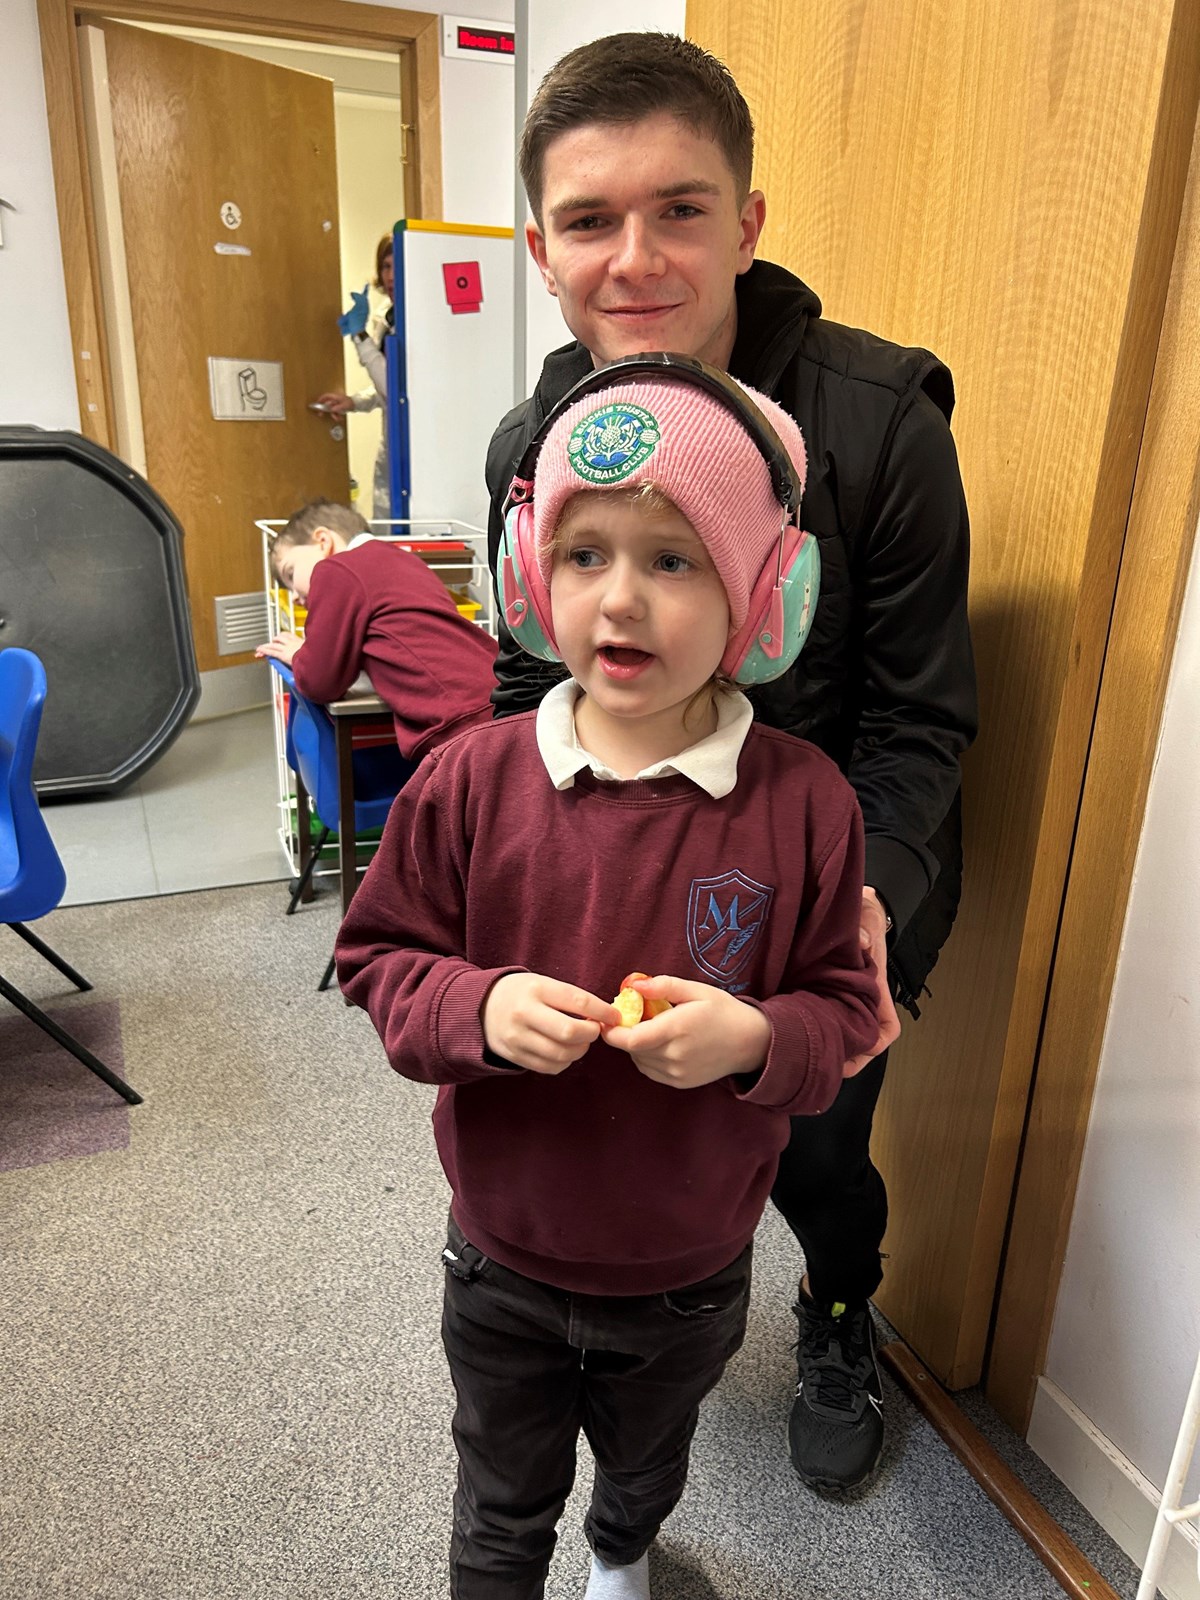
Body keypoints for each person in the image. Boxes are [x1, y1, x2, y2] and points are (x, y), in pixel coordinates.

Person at [484, 32, 978, 1493]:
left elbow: (921, 721)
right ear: (539, 247)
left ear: (746, 222)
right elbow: (527, 677)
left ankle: (836, 1312)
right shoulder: (534, 438)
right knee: (614, 1132)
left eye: (680, 209)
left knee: (814, 1150)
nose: (636, 259)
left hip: (824, 882)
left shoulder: (885, 422)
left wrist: (862, 906)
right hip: (618, 855)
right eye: (589, 219)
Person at [336, 358, 881, 1599]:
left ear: (760, 593)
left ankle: (623, 1559)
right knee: (497, 1502)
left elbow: (845, 1012)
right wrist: (474, 1006)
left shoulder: (804, 804)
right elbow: (376, 961)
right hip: (504, 1256)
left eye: (673, 559)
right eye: (584, 555)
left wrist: (752, 1038)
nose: (620, 601)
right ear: (530, 575)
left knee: (646, 1468)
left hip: (689, 1271)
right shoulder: (469, 781)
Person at [257, 499, 497, 764]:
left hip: (457, 723)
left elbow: (320, 681)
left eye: (291, 574)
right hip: (496, 695)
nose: (294, 597)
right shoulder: (405, 561)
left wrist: (298, 654)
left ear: (323, 541)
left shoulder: (336, 569)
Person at [314, 233, 396, 517]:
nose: (391, 276)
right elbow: (388, 387)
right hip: (392, 440)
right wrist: (354, 402)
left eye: (398, 265)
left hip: (417, 444)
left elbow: (395, 387)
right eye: (386, 266)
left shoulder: (421, 320)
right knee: (387, 529)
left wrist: (361, 337)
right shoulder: (385, 317)